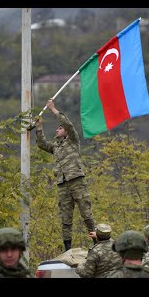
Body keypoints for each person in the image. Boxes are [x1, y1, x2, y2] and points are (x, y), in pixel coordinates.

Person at [35, 98, 96, 252]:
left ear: (66, 132)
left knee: (86, 212)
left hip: (76, 181)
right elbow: (42, 144)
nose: (57, 130)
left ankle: (96, 241)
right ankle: (67, 247)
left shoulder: (73, 141)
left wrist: (53, 109)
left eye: (59, 128)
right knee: (65, 217)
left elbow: (68, 124)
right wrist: (39, 127)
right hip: (63, 184)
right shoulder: (56, 147)